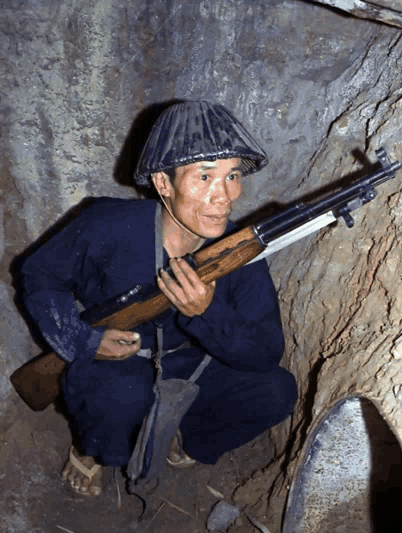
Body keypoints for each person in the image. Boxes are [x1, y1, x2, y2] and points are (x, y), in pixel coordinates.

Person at [22, 100, 297, 496]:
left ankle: (187, 436)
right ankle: (93, 451)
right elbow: (41, 275)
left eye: (232, 175)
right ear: (164, 183)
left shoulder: (237, 250)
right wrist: (85, 341)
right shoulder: (108, 224)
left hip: (195, 362)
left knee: (277, 391)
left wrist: (206, 314)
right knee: (116, 394)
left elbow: (266, 350)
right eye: (204, 177)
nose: (223, 196)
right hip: (120, 359)